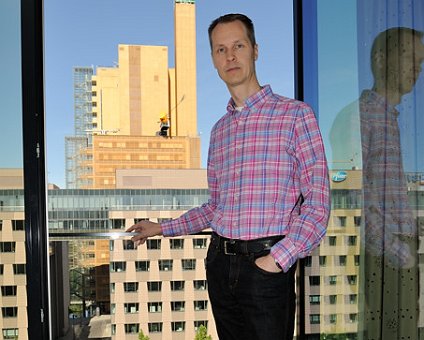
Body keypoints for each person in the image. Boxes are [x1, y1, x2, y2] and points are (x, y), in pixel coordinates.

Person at [127, 13, 330, 340]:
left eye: (238, 45)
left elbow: (318, 205)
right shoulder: (220, 131)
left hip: (266, 266)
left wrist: (277, 260)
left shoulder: (295, 116)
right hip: (220, 265)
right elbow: (216, 207)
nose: (230, 56)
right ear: (213, 59)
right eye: (221, 50)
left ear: (255, 50)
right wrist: (162, 228)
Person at [330, 27, 424, 340]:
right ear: (382, 59)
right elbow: (358, 197)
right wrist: (402, 254)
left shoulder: (390, 118)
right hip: (387, 258)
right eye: (410, 56)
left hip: (395, 254)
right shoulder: (360, 117)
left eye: (420, 60)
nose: (418, 67)